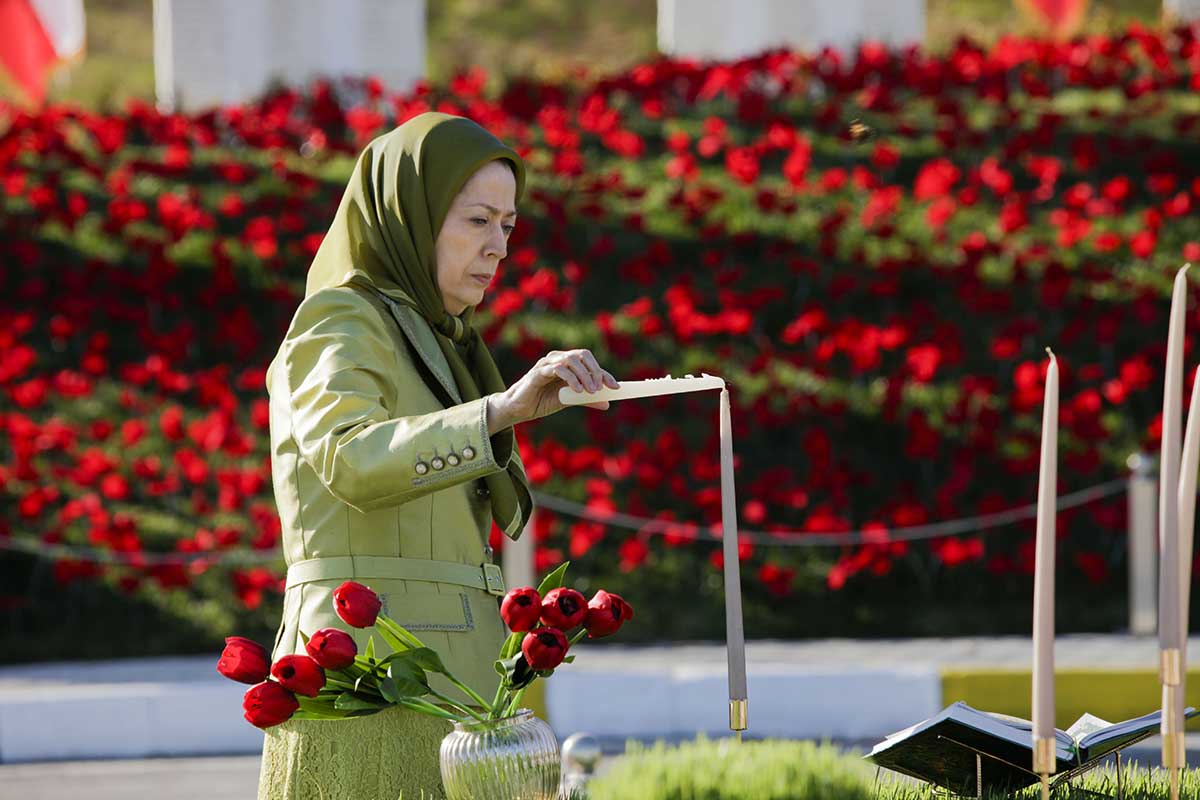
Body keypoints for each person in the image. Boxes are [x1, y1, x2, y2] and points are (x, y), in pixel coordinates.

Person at [256, 111, 619, 799]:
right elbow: (349, 459)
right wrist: (499, 411)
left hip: (456, 687)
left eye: (508, 226)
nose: (499, 248)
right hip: (368, 684)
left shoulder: (437, 337)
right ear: (411, 217)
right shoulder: (342, 316)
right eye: (477, 221)